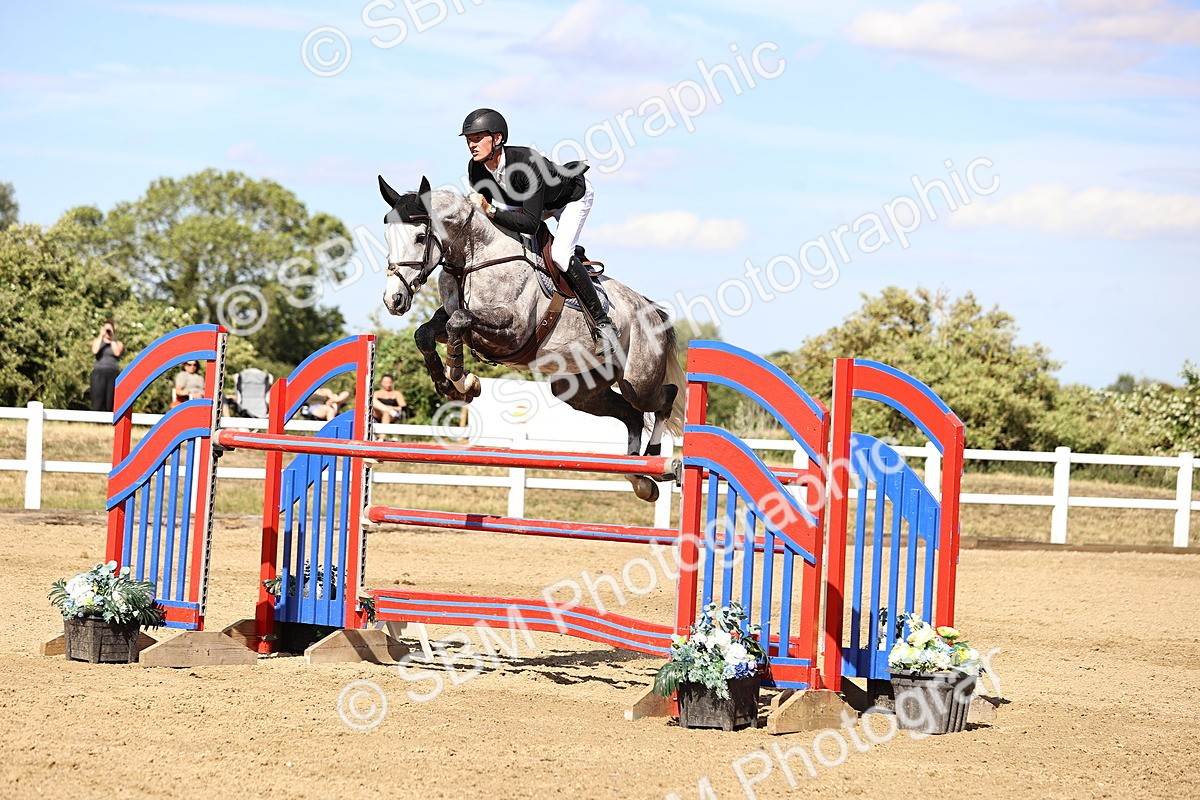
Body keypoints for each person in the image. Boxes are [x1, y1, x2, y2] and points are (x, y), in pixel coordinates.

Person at [460, 108, 620, 362]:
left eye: (478, 138)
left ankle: (603, 325)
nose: (472, 144)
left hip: (568, 199)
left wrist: (490, 210)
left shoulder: (526, 163)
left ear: (498, 138)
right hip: (526, 203)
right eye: (469, 139)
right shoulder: (476, 169)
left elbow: (530, 224)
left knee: (559, 255)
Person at [89, 319, 124, 412]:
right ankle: (96, 422)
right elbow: (95, 350)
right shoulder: (97, 341)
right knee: (97, 398)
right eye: (106, 329)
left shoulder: (118, 343)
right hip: (98, 372)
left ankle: (109, 422)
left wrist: (112, 339)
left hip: (113, 372)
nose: (108, 332)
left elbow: (117, 353)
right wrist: (101, 335)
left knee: (111, 400)